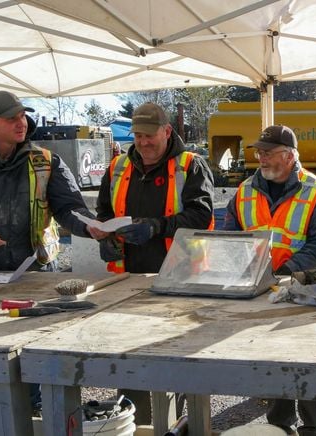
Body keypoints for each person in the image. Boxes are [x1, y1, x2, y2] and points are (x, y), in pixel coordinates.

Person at [0, 90, 106, 414]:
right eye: (11, 118)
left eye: (22, 116)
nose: (20, 123)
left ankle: (37, 413)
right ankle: (11, 414)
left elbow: (70, 209)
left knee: (38, 352)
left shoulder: (46, 160)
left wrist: (90, 227)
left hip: (35, 277)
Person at [94, 102, 214, 424]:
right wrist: (107, 239)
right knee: (128, 356)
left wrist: (156, 226)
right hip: (129, 281)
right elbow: (104, 213)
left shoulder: (191, 165)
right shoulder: (118, 167)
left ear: (167, 131)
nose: (144, 143)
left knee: (179, 358)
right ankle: (138, 424)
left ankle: (185, 422)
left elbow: (202, 215)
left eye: (150, 136)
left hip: (181, 280)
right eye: (138, 136)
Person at [224, 125, 316, 436]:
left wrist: (287, 273)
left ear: (289, 156)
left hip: (300, 290)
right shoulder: (245, 190)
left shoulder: (314, 190)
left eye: (268, 153)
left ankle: (312, 424)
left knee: (306, 357)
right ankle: (279, 423)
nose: (261, 158)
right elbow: (229, 240)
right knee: (271, 356)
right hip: (258, 291)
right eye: (260, 152)